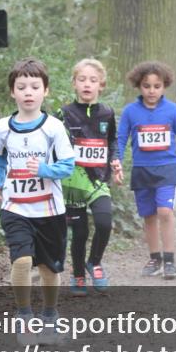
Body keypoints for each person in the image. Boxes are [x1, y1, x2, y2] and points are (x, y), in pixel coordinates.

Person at [0, 59, 76, 345]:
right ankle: (24, 317)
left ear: (45, 91)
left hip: (49, 209)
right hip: (15, 207)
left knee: (49, 269)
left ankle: (50, 317)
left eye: (35, 87)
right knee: (22, 260)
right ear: (12, 92)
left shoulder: (54, 127)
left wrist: (44, 170)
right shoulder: (3, 127)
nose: (28, 92)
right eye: (22, 87)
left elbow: (68, 166)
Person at [118, 61, 176, 279]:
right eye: (147, 86)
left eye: (157, 86)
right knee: (149, 215)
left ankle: (169, 259)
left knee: (164, 211)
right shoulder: (130, 112)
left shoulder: (173, 111)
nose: (152, 91)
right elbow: (121, 139)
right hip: (142, 169)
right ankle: (154, 258)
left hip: (166, 168)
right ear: (138, 85)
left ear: (164, 86)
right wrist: (117, 162)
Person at [56, 59, 123, 294]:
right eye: (82, 79)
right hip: (72, 183)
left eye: (93, 80)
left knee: (104, 222)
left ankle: (94, 262)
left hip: (98, 180)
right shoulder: (63, 113)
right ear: (74, 83)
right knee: (80, 232)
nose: (87, 84)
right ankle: (77, 275)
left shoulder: (107, 113)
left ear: (101, 85)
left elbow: (112, 141)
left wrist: (115, 160)